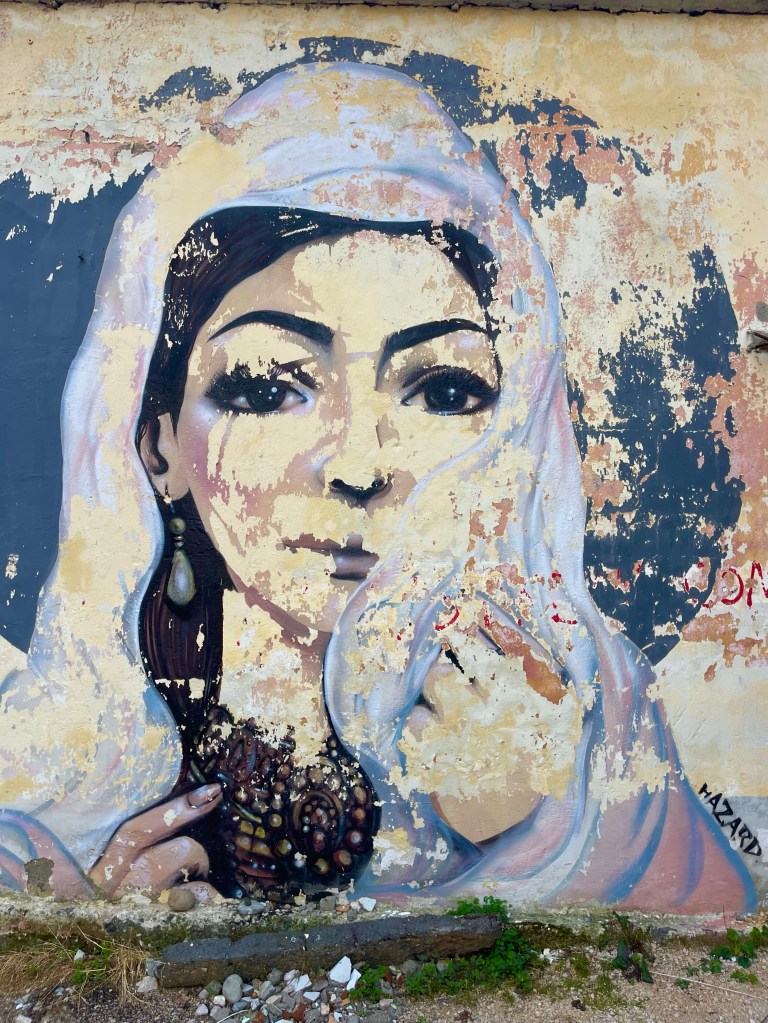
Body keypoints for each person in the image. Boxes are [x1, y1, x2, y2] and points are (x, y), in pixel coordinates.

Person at [0, 61, 756, 911]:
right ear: (157, 446)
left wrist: (541, 824)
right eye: (267, 385)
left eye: (443, 391)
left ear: (513, 433)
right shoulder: (59, 765)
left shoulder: (599, 721)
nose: (359, 464)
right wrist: (87, 916)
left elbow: (703, 924)